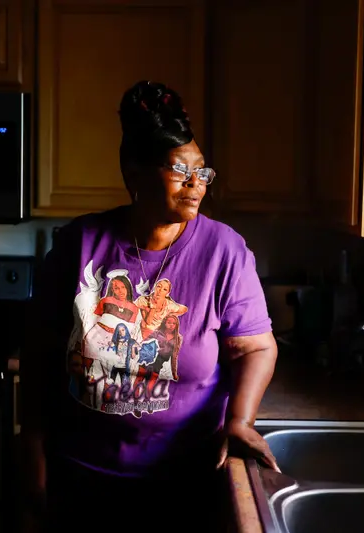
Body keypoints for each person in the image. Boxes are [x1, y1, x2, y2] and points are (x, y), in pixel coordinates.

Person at [20, 80, 279, 532]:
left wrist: (240, 420)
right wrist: (32, 452)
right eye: (181, 171)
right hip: (81, 481)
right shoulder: (79, 245)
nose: (197, 185)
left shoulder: (225, 252)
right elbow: (40, 358)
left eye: (203, 172)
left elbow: (255, 347)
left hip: (186, 484)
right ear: (134, 174)